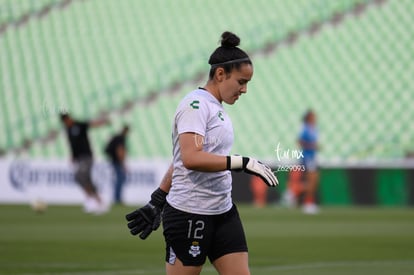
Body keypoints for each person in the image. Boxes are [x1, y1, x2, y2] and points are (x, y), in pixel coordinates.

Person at [125, 31, 278, 275]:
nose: (245, 89)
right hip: (189, 213)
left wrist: (157, 198)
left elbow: (181, 160)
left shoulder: (216, 108)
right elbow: (191, 158)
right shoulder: (195, 105)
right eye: (241, 81)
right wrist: (243, 162)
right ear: (220, 74)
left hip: (223, 211)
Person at [60, 112, 110, 214]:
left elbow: (92, 124)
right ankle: (99, 202)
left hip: (86, 157)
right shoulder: (68, 130)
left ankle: (91, 201)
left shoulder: (78, 125)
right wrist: (73, 156)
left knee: (80, 176)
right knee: (87, 180)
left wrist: (103, 122)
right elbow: (72, 145)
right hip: (80, 158)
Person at [298, 109, 320, 214]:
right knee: (311, 181)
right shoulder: (306, 128)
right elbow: (300, 141)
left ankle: (307, 201)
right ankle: (307, 203)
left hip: (312, 157)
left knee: (313, 181)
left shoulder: (314, 129)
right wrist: (312, 146)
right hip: (307, 158)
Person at [105, 125, 129, 205]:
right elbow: (120, 150)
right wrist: (122, 163)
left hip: (114, 160)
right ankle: (117, 199)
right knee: (120, 179)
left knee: (119, 179)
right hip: (117, 161)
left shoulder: (117, 137)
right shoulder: (121, 138)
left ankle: (117, 198)